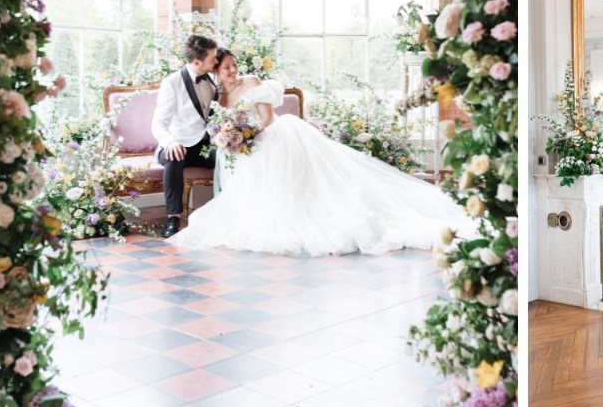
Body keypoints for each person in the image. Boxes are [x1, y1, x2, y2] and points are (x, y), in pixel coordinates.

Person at [171, 50, 466, 257]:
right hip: (241, 147)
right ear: (216, 71)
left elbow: (267, 118)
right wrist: (231, 139)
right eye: (227, 68)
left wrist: (246, 135)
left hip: (269, 136)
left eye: (235, 64)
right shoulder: (218, 94)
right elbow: (216, 123)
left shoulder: (253, 83)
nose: (234, 70)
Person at [150, 34, 219, 238]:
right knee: (174, 156)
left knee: (228, 158)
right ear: (197, 62)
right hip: (177, 144)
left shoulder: (213, 79)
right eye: (212, 58)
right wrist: (170, 142)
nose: (216, 61)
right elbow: (158, 123)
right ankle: (173, 218)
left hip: (204, 145)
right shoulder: (172, 83)